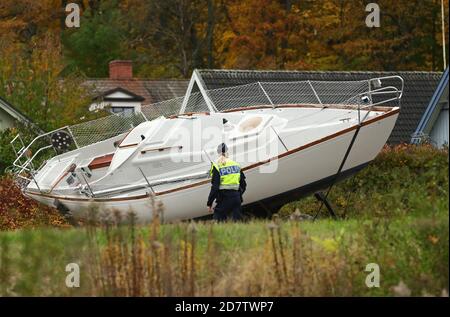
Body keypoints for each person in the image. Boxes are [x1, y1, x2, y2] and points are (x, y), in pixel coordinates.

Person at [207, 143, 246, 221]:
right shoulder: (236, 164)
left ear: (218, 153)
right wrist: (238, 195)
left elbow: (215, 187)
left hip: (224, 198)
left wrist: (209, 203)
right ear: (227, 152)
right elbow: (244, 185)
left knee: (218, 219)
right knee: (237, 222)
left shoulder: (217, 166)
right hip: (236, 198)